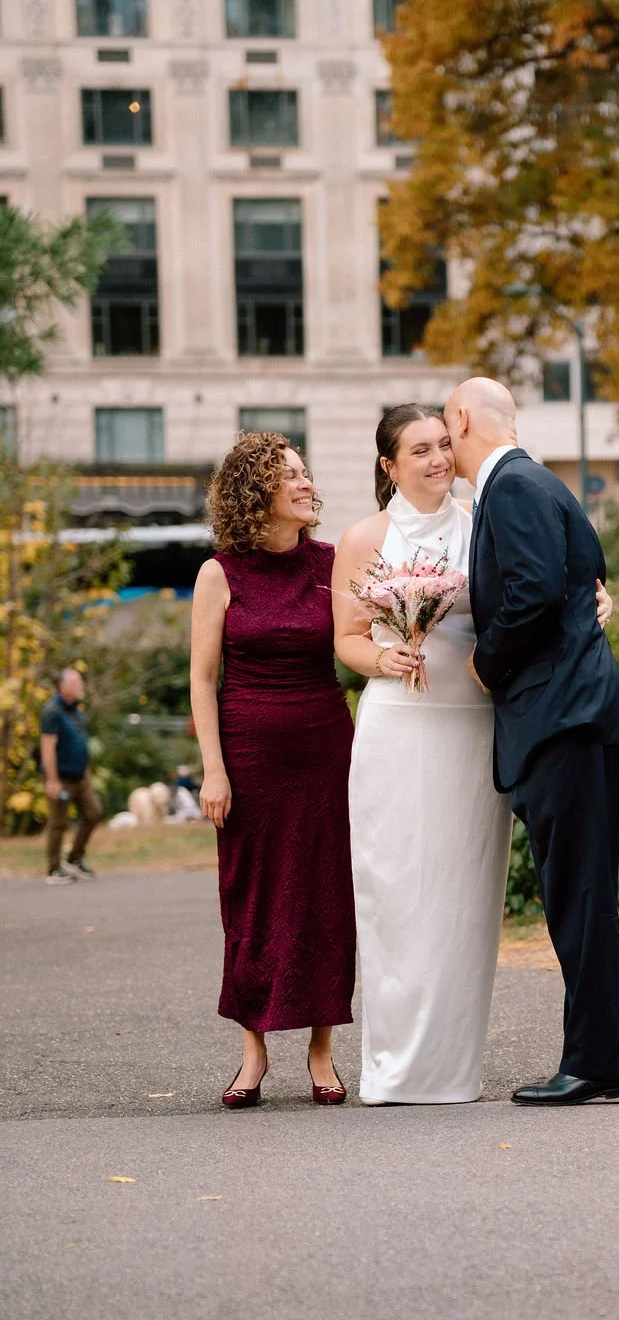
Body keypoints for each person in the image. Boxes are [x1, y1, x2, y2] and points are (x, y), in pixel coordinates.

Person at [334, 405, 613, 1105]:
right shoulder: (363, 537)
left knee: (463, 899)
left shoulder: (480, 521)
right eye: (418, 449)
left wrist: (592, 602)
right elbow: (345, 637)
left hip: (473, 728)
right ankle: (396, 1067)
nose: (435, 458)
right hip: (400, 727)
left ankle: (454, 1068)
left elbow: (540, 587)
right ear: (387, 465)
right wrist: (384, 656)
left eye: (441, 444)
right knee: (398, 895)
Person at [443, 377, 619, 1106]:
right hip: (572, 715)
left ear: (462, 418)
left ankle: (599, 1061)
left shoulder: (516, 485)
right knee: (579, 896)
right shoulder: (537, 482)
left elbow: (529, 592)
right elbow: (586, 572)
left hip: (563, 716)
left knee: (579, 895)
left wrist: (483, 659)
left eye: (446, 427)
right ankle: (606, 1057)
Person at [190, 433, 355, 1109]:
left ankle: (323, 1048)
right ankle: (253, 1049)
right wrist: (213, 770)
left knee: (326, 892)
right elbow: (202, 679)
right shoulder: (218, 573)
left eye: (306, 471)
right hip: (250, 756)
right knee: (250, 896)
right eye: (292, 475)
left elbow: (358, 646)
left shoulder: (333, 562)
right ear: (258, 493)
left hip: (326, 747)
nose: (308, 482)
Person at [40, 668, 103, 884]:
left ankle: (74, 859)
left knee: (93, 813)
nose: (82, 685)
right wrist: (52, 779)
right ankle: (53, 869)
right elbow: (48, 747)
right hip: (62, 778)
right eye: (77, 682)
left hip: (80, 776)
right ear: (63, 687)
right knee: (58, 822)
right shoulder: (52, 711)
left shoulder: (76, 711)